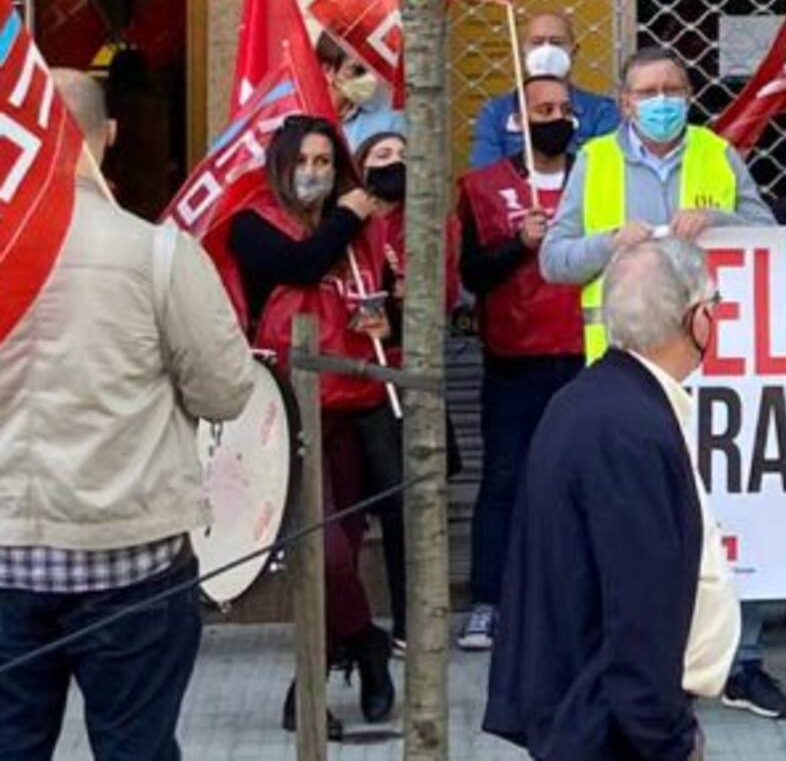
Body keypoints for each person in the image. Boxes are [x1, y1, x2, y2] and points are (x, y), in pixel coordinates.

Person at [0, 70, 255, 761]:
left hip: (5, 561)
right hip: (132, 561)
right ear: (107, 137)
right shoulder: (157, 252)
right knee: (136, 749)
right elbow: (228, 392)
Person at [540, 45, 786, 720]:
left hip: (719, 368)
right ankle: (644, 662)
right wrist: (607, 245)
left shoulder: (715, 152)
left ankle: (742, 662)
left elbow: (772, 232)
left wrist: (720, 222)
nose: (662, 101)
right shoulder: (593, 162)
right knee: (641, 526)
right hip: (623, 376)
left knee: (730, 513)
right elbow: (554, 260)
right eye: (648, 91)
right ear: (623, 102)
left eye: (673, 89)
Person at [484, 238, 739, 760]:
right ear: (695, 317)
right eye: (714, 303)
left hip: (596, 715)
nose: (717, 316)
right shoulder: (626, 428)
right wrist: (668, 737)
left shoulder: (601, 400)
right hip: (609, 728)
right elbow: (639, 604)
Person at [228, 115, 395, 737]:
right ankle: (363, 645)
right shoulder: (253, 225)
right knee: (324, 554)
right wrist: (349, 216)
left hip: (356, 408)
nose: (314, 173)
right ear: (279, 165)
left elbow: (390, 308)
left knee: (344, 549)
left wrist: (388, 326)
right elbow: (299, 266)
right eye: (302, 161)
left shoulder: (367, 236)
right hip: (287, 414)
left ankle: (316, 682)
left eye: (326, 162)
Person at [456, 75, 585, 652]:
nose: (555, 116)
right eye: (542, 108)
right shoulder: (482, 187)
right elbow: (471, 275)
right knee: (504, 481)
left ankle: (582, 600)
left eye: (563, 108)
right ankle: (490, 600)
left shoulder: (599, 172)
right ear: (518, 119)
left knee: (585, 483)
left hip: (590, 353)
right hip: (514, 358)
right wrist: (517, 244)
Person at [354, 129, 463, 658]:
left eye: (403, 154)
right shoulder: (351, 227)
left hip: (412, 380)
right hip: (359, 384)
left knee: (414, 508)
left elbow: (438, 300)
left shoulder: (433, 224)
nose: (394, 162)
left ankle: (411, 622)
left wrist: (403, 297)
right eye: (381, 155)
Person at [469, 9, 618, 168]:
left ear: (574, 51)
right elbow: (486, 176)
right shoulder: (496, 112)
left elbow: (605, 171)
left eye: (557, 42)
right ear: (523, 51)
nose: (546, 51)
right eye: (537, 42)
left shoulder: (601, 111)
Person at [316, 30, 406, 153]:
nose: (370, 78)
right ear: (327, 70)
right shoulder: (297, 113)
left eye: (373, 68)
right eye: (358, 70)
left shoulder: (391, 118)